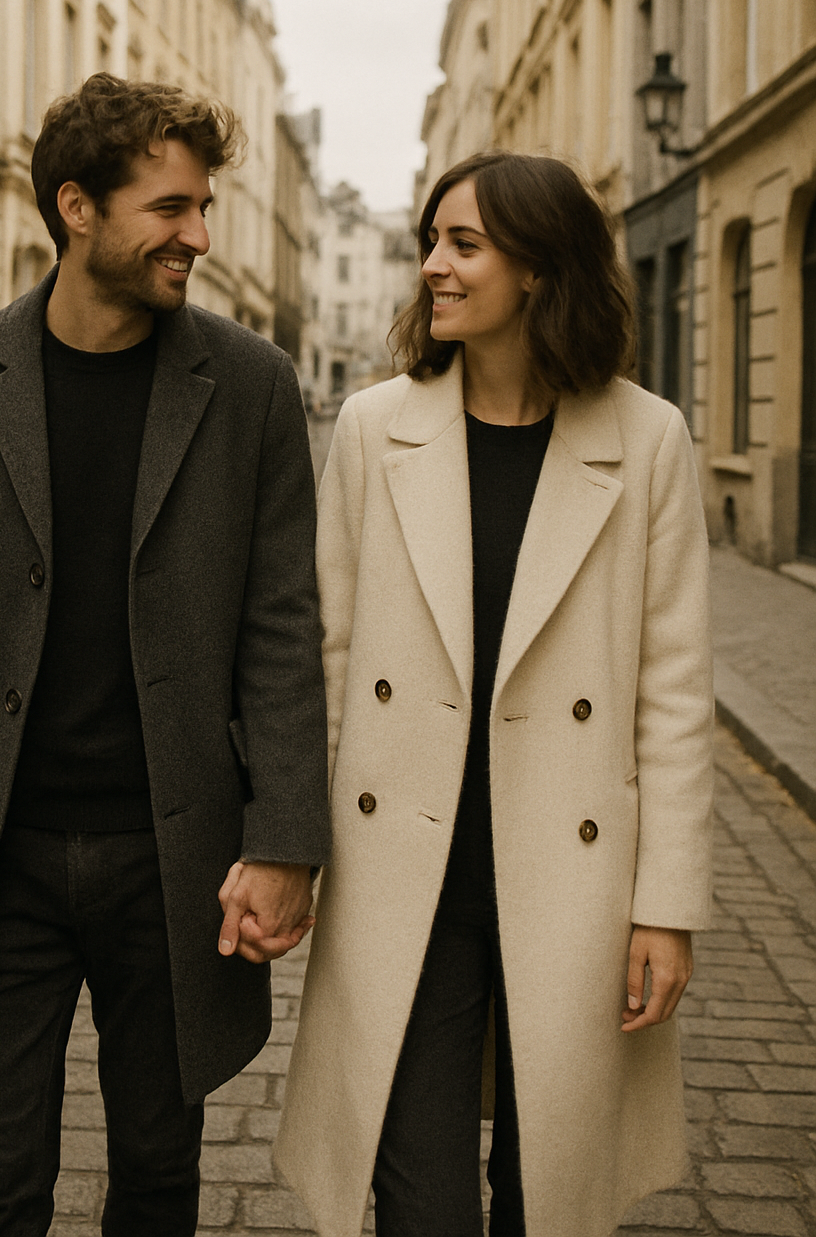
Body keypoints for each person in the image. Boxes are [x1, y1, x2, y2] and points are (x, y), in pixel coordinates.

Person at [0, 74, 330, 1237]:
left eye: (204, 207)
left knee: (159, 1181)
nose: (199, 236)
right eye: (170, 208)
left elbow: (281, 629)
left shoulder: (251, 386)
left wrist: (283, 840)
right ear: (77, 206)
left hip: (176, 859)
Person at [274, 151, 713, 1237]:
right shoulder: (374, 428)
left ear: (539, 268)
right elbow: (322, 656)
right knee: (416, 1197)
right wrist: (287, 842)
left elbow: (673, 690)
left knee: (547, 1195)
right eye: (431, 241)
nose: (432, 266)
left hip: (575, 879)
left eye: (462, 244)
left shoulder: (646, 438)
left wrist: (666, 906)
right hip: (402, 874)